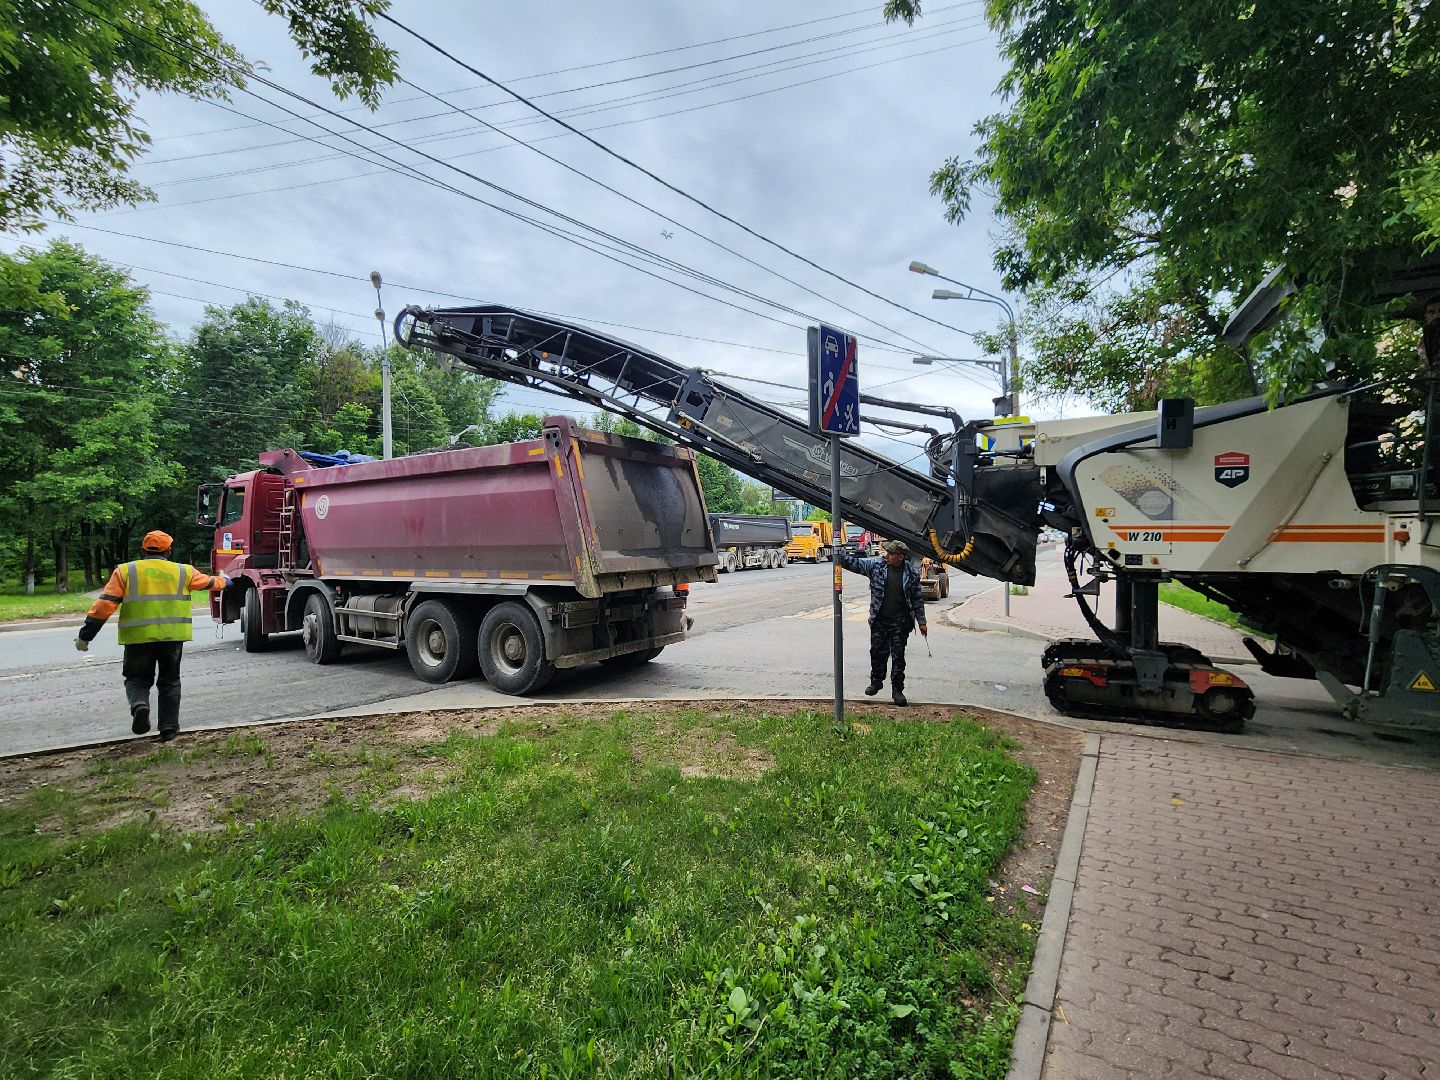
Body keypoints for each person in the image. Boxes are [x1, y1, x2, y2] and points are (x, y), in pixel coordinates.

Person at [74, 531, 230, 742]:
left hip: (138, 638)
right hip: (172, 637)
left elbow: (104, 605)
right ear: (168, 550)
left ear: (142, 550)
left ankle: (140, 705)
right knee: (170, 682)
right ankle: (168, 728)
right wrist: (225, 581)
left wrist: (86, 636)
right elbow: (210, 583)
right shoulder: (183, 571)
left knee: (137, 678)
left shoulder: (126, 571)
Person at [839, 538, 927, 706]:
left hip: (900, 622)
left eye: (891, 553)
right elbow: (855, 564)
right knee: (877, 652)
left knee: (898, 657)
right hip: (880, 620)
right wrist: (838, 553)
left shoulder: (911, 573)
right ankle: (876, 681)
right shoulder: (877, 566)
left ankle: (897, 690)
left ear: (900, 557)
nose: (886, 555)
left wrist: (921, 621)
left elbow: (917, 599)